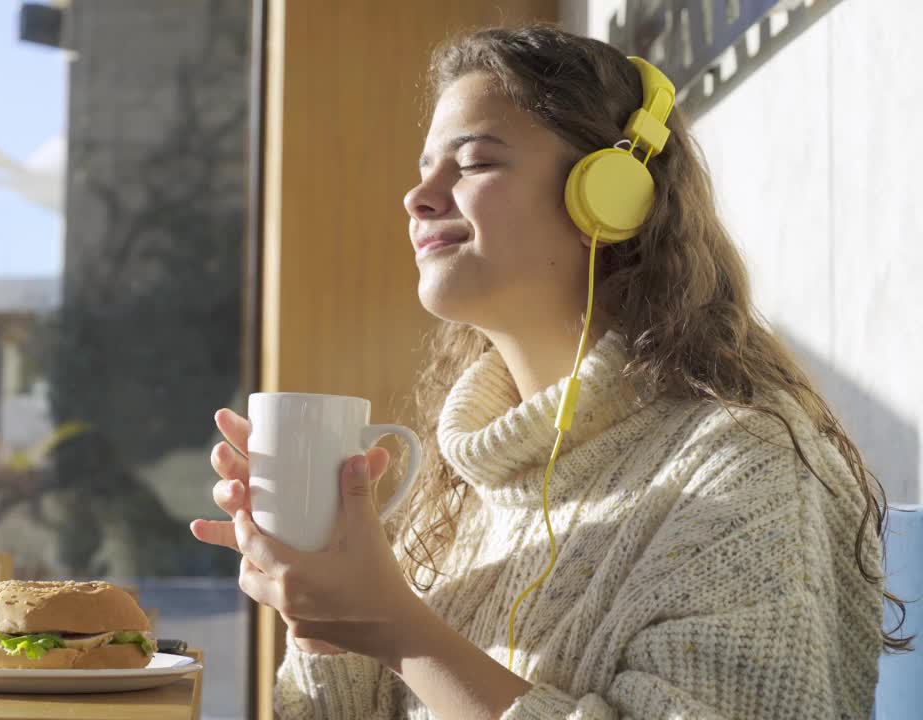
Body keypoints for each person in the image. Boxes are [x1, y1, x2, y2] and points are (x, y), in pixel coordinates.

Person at [190, 23, 910, 720]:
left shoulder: (744, 469)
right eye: (423, 170)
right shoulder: (462, 492)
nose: (418, 197)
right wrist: (326, 605)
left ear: (610, 194)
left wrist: (396, 626)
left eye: (473, 162)